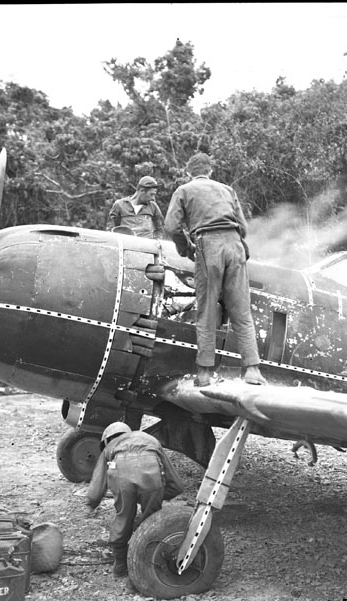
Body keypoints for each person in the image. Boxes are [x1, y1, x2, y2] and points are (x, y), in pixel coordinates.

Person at [164, 152, 267, 387]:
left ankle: (204, 374)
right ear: (210, 170)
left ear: (189, 172)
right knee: (241, 310)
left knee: (207, 311)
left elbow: (171, 226)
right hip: (235, 245)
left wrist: (186, 248)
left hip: (208, 246)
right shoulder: (227, 190)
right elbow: (243, 227)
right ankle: (252, 369)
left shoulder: (184, 190)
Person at [85, 422, 184, 578]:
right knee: (151, 521)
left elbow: (98, 482)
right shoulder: (149, 439)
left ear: (106, 439)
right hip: (151, 478)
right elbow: (176, 484)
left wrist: (92, 502)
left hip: (120, 474)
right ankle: (146, 563)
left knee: (123, 517)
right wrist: (157, 496)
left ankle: (120, 565)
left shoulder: (109, 447)